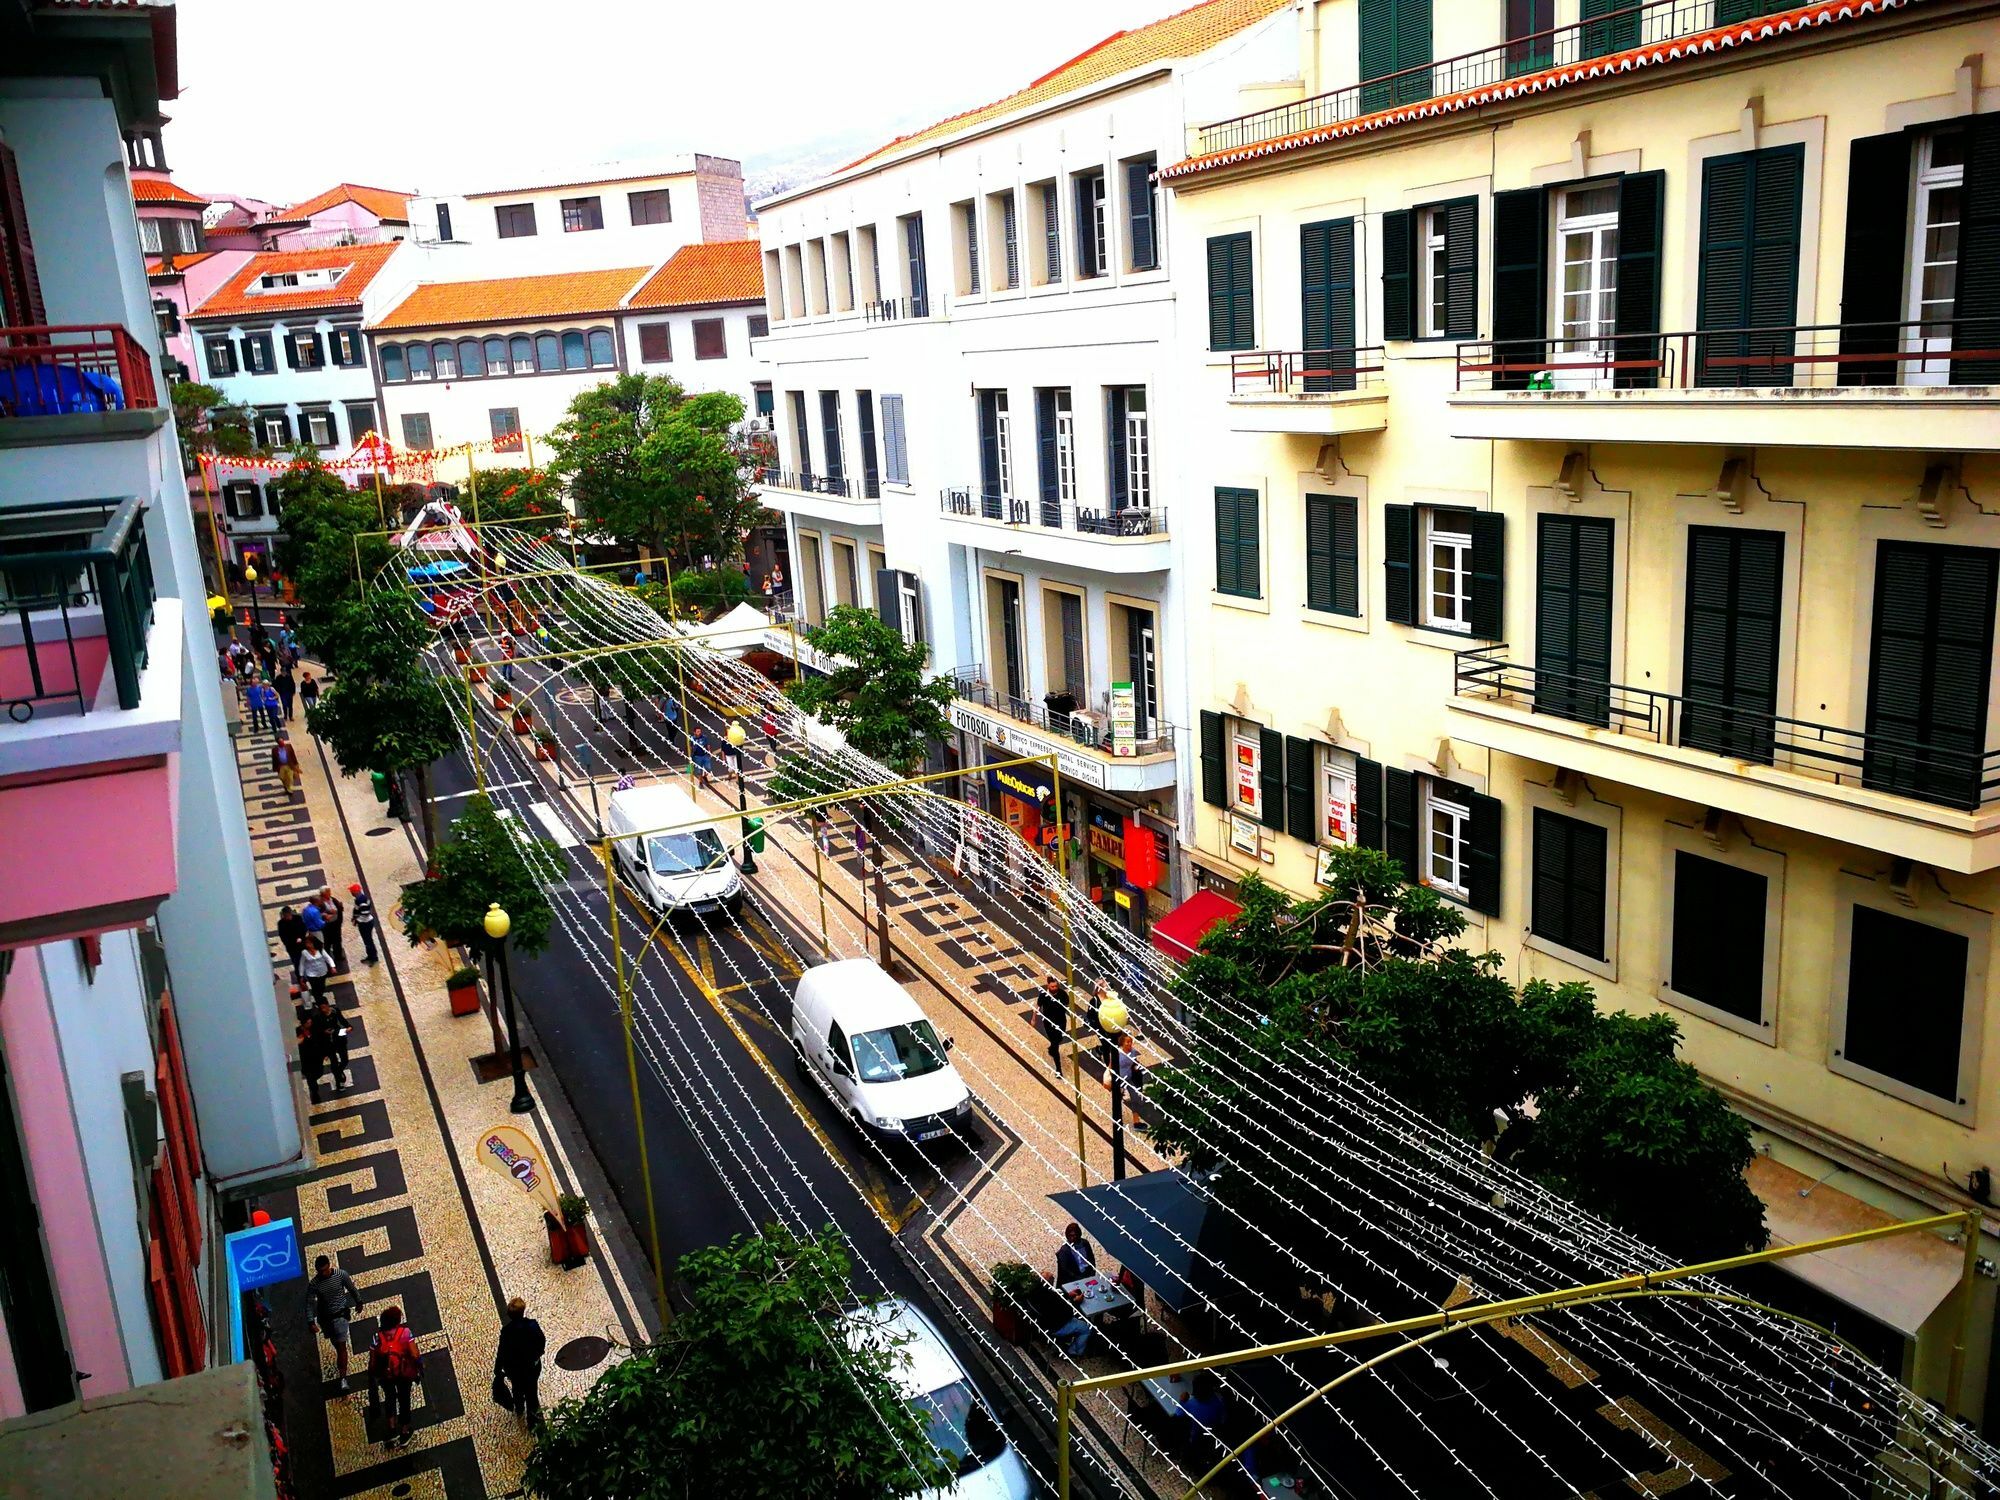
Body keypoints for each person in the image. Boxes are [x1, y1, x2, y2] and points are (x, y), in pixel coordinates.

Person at [306, 1254, 364, 1393]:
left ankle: (343, 1378)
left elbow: (351, 1288)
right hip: (326, 1319)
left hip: (340, 1316)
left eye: (325, 1270)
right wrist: (310, 1321)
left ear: (329, 1266)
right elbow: (309, 1303)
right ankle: (342, 1366)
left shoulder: (340, 1275)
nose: (323, 1274)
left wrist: (359, 1301)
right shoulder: (314, 1284)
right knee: (337, 1346)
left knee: (341, 1346)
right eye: (320, 1271)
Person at [370, 1305, 421, 1449]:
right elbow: (414, 1354)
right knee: (404, 1399)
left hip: (386, 1375)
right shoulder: (405, 1333)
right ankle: (405, 1431)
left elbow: (373, 1360)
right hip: (403, 1374)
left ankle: (392, 1430)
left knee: (390, 1398)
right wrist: (418, 1367)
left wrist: (375, 1373)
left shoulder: (377, 1337)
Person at [494, 1296, 546, 1423]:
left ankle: (519, 1407)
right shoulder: (532, 1325)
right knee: (532, 1392)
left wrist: (498, 1368)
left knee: (517, 1388)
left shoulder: (507, 1332)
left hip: (515, 1369)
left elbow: (502, 1352)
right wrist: (537, 1355)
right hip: (531, 1367)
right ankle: (532, 1421)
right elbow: (541, 1341)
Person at [312, 995, 351, 1092]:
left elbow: (341, 1020)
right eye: (322, 1008)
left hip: (339, 1037)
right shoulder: (318, 1017)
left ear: (328, 1005)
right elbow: (316, 1031)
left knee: (345, 1060)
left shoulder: (335, 1011)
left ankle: (338, 1071)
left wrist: (348, 1027)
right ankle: (339, 1082)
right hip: (328, 1042)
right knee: (334, 1062)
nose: (324, 1010)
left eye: (325, 1007)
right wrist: (324, 1032)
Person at [1037, 977, 1069, 1077]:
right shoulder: (1043, 995)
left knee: (1059, 1039)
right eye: (1052, 986)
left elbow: (1067, 1004)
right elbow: (1038, 1006)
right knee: (1055, 1044)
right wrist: (1034, 1018)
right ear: (1048, 986)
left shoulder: (1062, 994)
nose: (1054, 988)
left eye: (1056, 986)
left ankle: (1052, 1047)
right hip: (1049, 1023)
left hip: (1061, 1022)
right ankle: (1058, 1069)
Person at [1051, 1290, 1094, 1358]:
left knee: (1078, 1321)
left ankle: (1070, 1341)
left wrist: (1068, 1295)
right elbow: (1069, 1314)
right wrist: (1074, 1302)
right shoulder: (1058, 1305)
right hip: (1056, 1327)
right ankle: (1074, 1352)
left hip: (1043, 1323)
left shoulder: (1043, 1296)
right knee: (1086, 1328)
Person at [1055, 1221, 1096, 1287]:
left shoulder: (1085, 1243)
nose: (1073, 1238)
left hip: (1087, 1273)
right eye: (1071, 1236)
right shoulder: (1064, 1251)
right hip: (1074, 1278)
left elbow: (1091, 1258)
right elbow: (1065, 1270)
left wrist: (1092, 1272)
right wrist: (1078, 1279)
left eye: (1075, 1235)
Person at [318, 886, 348, 971]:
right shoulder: (320, 903)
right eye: (328, 892)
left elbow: (339, 909)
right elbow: (319, 914)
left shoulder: (333, 899)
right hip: (326, 927)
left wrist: (340, 909)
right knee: (327, 943)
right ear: (323, 894)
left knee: (337, 940)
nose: (330, 893)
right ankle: (328, 959)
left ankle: (338, 955)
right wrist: (327, 913)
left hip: (336, 925)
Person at [298, 933, 334, 1003]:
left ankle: (319, 998)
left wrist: (332, 967)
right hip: (311, 974)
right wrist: (301, 975)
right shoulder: (304, 952)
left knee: (322, 987)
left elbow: (328, 958)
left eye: (309, 943)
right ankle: (319, 1001)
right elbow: (301, 964)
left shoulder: (320, 950)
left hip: (322, 972)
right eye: (306, 943)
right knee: (315, 989)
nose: (307, 944)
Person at [350, 883, 381, 964]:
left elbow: (365, 913)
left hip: (365, 923)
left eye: (352, 891)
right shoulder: (360, 898)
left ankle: (373, 957)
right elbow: (357, 910)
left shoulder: (361, 900)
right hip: (365, 922)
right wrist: (354, 917)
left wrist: (356, 920)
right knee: (367, 941)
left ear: (355, 892)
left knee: (368, 941)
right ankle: (370, 956)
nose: (351, 893)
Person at [276, 904, 307, 974]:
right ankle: (301, 978)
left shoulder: (298, 918)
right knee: (297, 963)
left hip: (302, 943)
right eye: (286, 916)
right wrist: (293, 941)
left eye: (288, 915)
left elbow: (303, 928)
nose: (288, 917)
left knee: (306, 960)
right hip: (292, 947)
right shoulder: (281, 924)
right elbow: (283, 936)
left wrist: (301, 937)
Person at [692, 725, 712, 789]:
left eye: (700, 731)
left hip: (705, 755)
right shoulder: (692, 739)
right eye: (697, 732)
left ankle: (705, 776)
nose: (699, 733)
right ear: (694, 732)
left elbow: (708, 744)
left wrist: (709, 751)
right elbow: (690, 747)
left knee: (708, 768)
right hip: (697, 756)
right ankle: (700, 782)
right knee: (699, 771)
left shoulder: (704, 737)